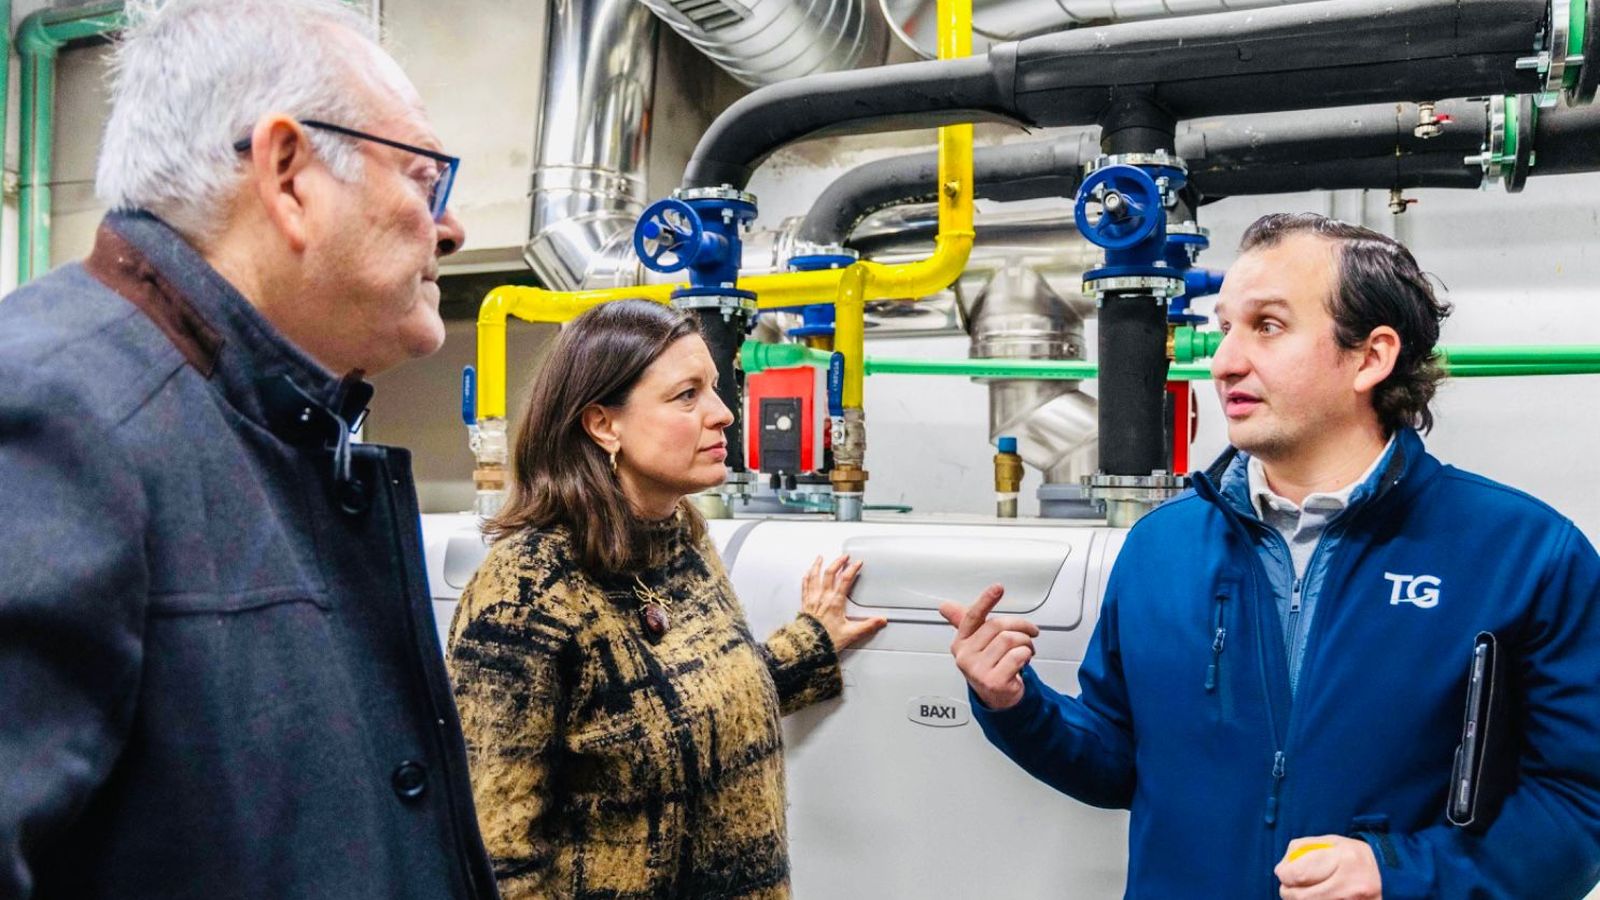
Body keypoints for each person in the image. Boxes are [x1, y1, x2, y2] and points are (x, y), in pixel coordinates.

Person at [942, 213, 1600, 899]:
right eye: (1226, 326)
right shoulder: (1162, 548)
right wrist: (1016, 704)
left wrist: (1397, 873)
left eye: (1268, 326)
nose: (1224, 359)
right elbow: (1117, 762)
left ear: (1370, 357)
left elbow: (1579, 805)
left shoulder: (1523, 554)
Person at [0, 1, 497, 897]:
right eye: (426, 181)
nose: (449, 229)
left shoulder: (266, 431)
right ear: (289, 173)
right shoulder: (51, 419)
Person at [446, 298, 886, 899]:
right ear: (604, 424)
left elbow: (681, 709)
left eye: (715, 389)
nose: (723, 415)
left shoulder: (682, 535)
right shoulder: (525, 592)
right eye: (687, 396)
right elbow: (494, 850)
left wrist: (811, 645)